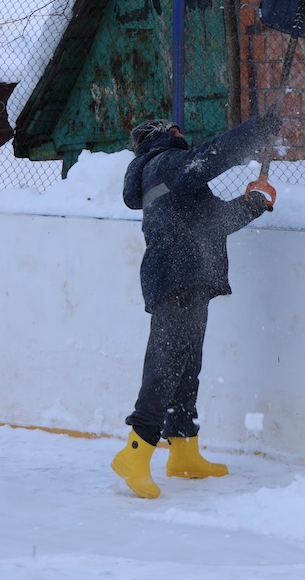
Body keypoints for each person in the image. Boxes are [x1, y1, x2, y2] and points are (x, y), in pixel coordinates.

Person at [112, 115, 280, 499]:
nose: (182, 134)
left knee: (186, 368)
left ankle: (183, 452)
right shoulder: (163, 163)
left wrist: (253, 202)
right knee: (166, 365)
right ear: (161, 137)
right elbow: (211, 157)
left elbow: (212, 223)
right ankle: (134, 453)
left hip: (188, 276)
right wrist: (256, 132)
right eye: (175, 130)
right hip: (176, 276)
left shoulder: (171, 178)